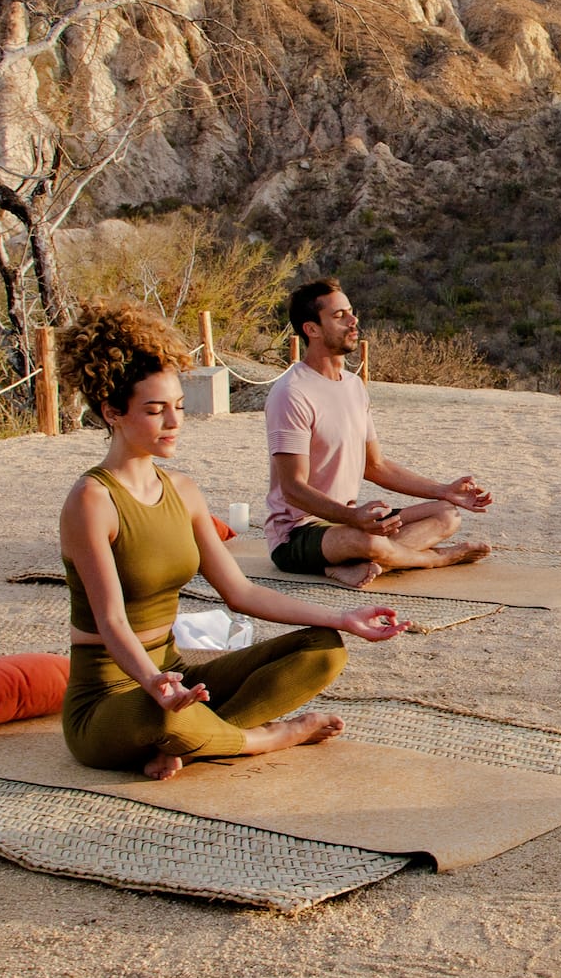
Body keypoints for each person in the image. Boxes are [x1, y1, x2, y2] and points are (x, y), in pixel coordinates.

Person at [57, 301, 408, 780]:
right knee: (163, 715)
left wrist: (342, 617)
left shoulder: (182, 490)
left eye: (178, 407)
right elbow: (112, 619)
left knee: (324, 648)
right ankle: (264, 737)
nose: (174, 422)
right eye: (155, 411)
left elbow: (239, 592)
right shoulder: (92, 499)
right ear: (112, 412)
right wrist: (155, 685)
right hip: (110, 701)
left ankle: (196, 738)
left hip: (175, 675)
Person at [263, 279, 495, 589]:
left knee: (447, 515)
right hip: (298, 533)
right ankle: (436, 558)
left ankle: (363, 565)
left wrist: (444, 490)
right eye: (339, 315)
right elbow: (292, 488)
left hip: (350, 521)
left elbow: (375, 466)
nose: (353, 320)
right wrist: (353, 518)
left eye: (351, 312)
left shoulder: (353, 386)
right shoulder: (292, 393)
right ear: (312, 329)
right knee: (367, 541)